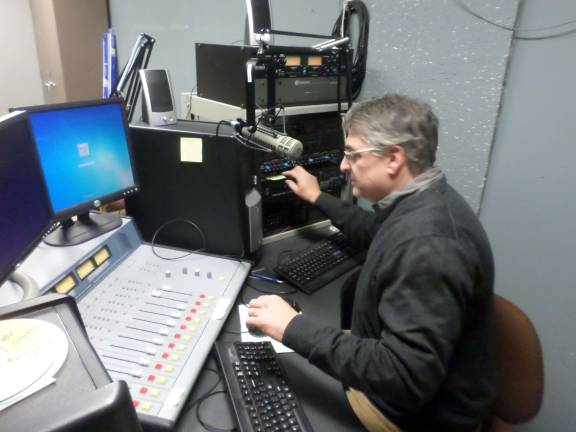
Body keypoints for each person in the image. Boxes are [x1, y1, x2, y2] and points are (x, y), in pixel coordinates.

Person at [246, 94, 495, 432]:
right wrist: (317, 197)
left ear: (393, 158)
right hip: (399, 368)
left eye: (352, 153)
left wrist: (293, 328)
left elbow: (405, 377)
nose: (344, 166)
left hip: (411, 415)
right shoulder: (423, 201)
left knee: (267, 391)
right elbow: (375, 232)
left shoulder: (429, 245)